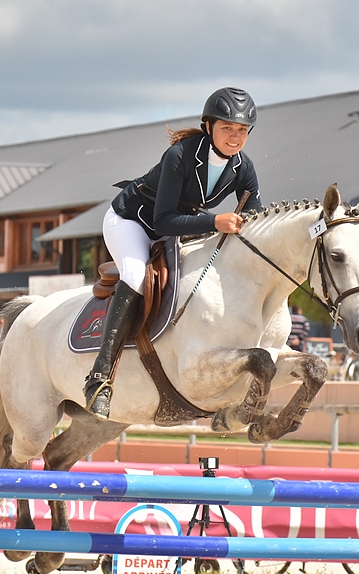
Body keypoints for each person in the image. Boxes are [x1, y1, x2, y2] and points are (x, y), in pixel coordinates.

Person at [84, 87, 262, 420]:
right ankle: (99, 377)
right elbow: (162, 219)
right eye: (228, 128)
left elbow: (254, 219)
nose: (235, 137)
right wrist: (215, 222)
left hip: (176, 230)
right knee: (136, 274)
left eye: (242, 130)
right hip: (133, 220)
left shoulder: (243, 168)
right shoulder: (180, 155)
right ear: (209, 127)